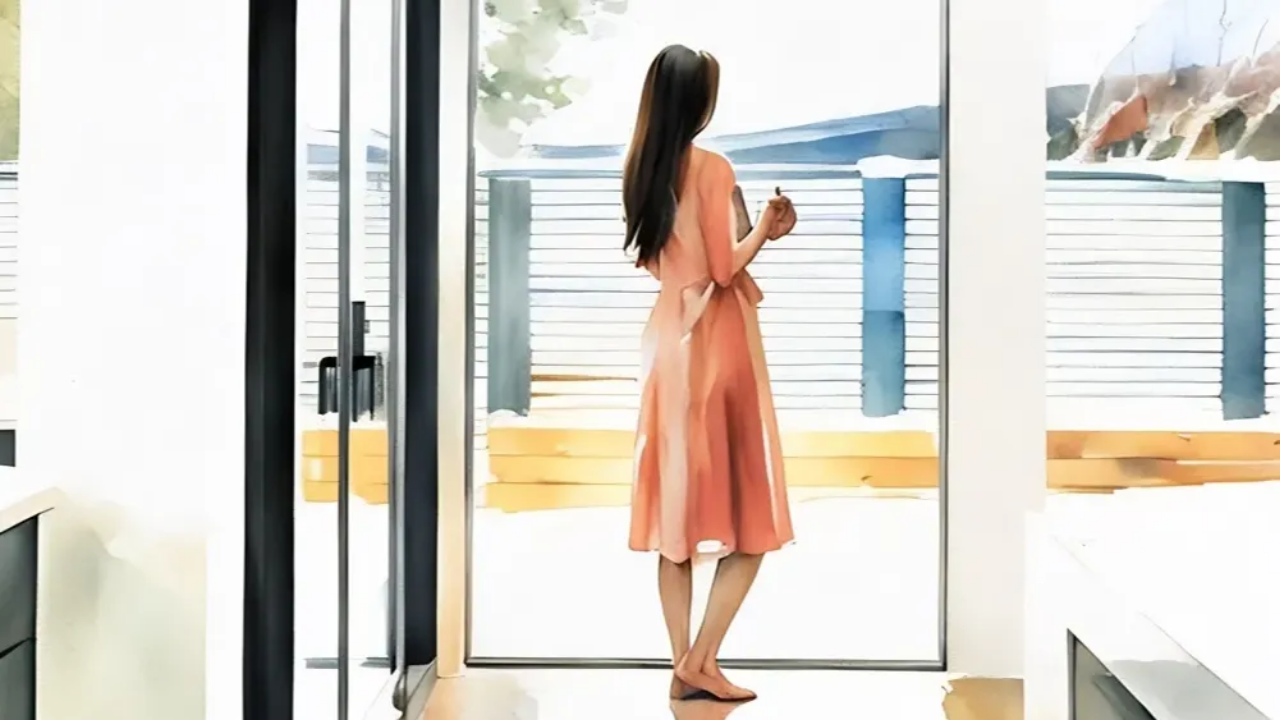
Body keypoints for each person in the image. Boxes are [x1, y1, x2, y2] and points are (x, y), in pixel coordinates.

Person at [622, 44, 796, 703]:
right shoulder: (714, 167)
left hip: (669, 343)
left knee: (678, 520)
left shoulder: (641, 169)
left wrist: (751, 238)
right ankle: (703, 659)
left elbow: (663, 262)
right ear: (700, 102)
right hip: (716, 346)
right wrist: (767, 235)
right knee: (751, 518)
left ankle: (684, 665)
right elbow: (724, 270)